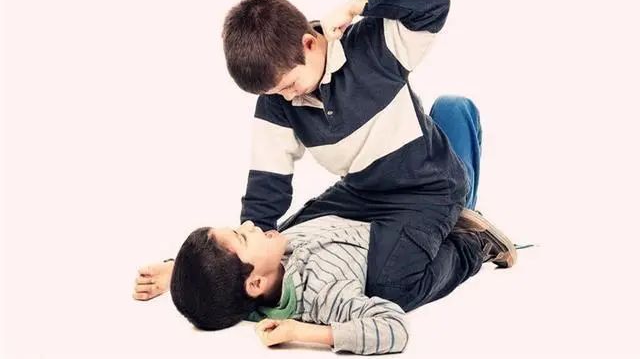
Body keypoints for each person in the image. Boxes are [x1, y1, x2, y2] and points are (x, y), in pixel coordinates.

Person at [134, 95, 518, 355]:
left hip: (376, 199)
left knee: (419, 128)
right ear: (254, 283)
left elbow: (221, 291)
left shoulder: (256, 281)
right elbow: (393, 327)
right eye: (241, 236)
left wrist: (178, 273)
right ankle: (471, 228)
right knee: (454, 108)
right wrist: (307, 334)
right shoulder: (324, 292)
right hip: (425, 216)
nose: (249, 225)